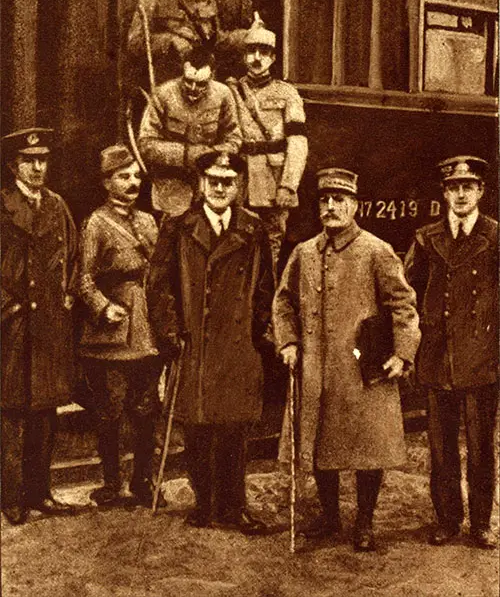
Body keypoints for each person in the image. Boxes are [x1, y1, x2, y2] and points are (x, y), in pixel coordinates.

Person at [273, 167, 420, 551]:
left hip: (361, 368)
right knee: (322, 444)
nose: (331, 207)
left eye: (340, 200)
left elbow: (403, 304)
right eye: (325, 200)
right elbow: (283, 302)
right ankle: (329, 517)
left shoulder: (376, 250)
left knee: (367, 448)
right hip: (316, 369)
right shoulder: (304, 253)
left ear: (355, 205)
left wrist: (403, 353)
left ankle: (365, 522)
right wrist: (287, 341)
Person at [147, 151, 274, 533]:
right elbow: (158, 286)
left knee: (235, 428)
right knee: (198, 428)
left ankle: (235, 507)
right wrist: (170, 334)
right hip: (195, 344)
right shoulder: (179, 228)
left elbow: (266, 285)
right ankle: (204, 506)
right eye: (214, 180)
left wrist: (257, 330)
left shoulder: (253, 229)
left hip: (237, 345)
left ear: (238, 185)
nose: (220, 187)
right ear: (201, 184)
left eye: (228, 181)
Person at [405, 156, 498, 550]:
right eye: (453, 187)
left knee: (480, 446)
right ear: (444, 193)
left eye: (468, 187)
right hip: (438, 356)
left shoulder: (495, 237)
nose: (460, 194)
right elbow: (405, 291)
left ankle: (480, 523)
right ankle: (446, 519)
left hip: (482, 357)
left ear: (480, 192)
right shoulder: (427, 238)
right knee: (441, 448)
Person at [78, 145, 164, 508]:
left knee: (146, 409)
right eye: (122, 177)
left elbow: (160, 273)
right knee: (110, 412)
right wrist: (102, 307)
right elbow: (81, 279)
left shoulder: (147, 221)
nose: (132, 183)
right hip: (110, 334)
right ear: (106, 182)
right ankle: (112, 484)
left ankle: (143, 481)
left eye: (135, 177)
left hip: (146, 329)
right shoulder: (95, 223)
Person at [1, 128, 79, 525]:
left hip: (48, 325)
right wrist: (8, 306)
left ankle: (40, 492)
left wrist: (66, 296)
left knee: (45, 410)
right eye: (29, 161)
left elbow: (74, 254)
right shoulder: (2, 205)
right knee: (11, 412)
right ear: (14, 165)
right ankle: (12, 497)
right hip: (11, 328)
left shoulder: (57, 205)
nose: (37, 167)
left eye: (43, 160)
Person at [228, 17, 308, 278]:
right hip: (238, 178)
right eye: (251, 52)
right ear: (244, 57)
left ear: (273, 57)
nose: (257, 58)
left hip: (272, 182)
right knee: (235, 242)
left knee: (271, 245)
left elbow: (297, 142)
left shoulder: (287, 94)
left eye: (263, 52)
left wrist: (288, 185)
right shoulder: (230, 91)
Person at [137, 46, 242, 215]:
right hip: (171, 185)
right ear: (183, 72)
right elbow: (146, 144)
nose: (193, 88)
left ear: (212, 76)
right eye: (188, 81)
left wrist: (210, 155)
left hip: (211, 183)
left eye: (201, 83)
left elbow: (234, 139)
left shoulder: (223, 94)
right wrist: (187, 155)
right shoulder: (163, 94)